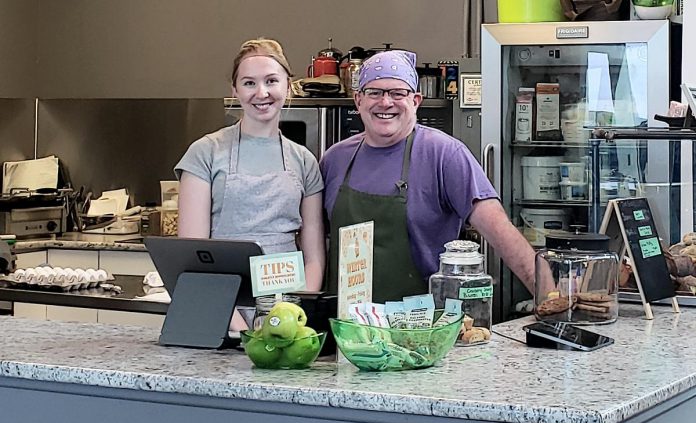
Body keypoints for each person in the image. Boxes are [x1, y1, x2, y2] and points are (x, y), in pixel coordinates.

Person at [320, 50, 535, 303]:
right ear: (358, 100)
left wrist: (548, 296)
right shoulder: (335, 159)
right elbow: (313, 243)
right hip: (347, 328)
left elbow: (501, 232)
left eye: (398, 93)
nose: (385, 102)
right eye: (374, 92)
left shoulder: (444, 154)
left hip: (421, 326)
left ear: (416, 101)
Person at [175, 38, 325, 291]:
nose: (261, 93)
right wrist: (236, 322)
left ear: (288, 86)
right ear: (235, 90)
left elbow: (314, 259)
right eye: (249, 83)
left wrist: (297, 313)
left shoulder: (304, 161)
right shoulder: (205, 153)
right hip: (221, 300)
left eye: (271, 81)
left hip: (288, 306)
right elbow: (195, 255)